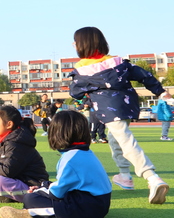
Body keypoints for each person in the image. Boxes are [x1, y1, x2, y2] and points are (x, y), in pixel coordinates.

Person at [69, 26, 170, 204]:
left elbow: (74, 92)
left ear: (81, 45)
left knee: (125, 141)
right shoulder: (119, 63)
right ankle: (125, 175)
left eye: (75, 42)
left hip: (108, 109)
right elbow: (144, 75)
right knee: (115, 138)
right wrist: (161, 92)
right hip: (126, 106)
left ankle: (151, 177)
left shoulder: (82, 71)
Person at [0, 110, 112, 218]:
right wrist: (44, 187)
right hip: (97, 205)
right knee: (39, 193)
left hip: (86, 210)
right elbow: (69, 184)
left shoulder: (70, 158)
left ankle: (32, 213)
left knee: (31, 199)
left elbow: (56, 194)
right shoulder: (84, 153)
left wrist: (40, 191)